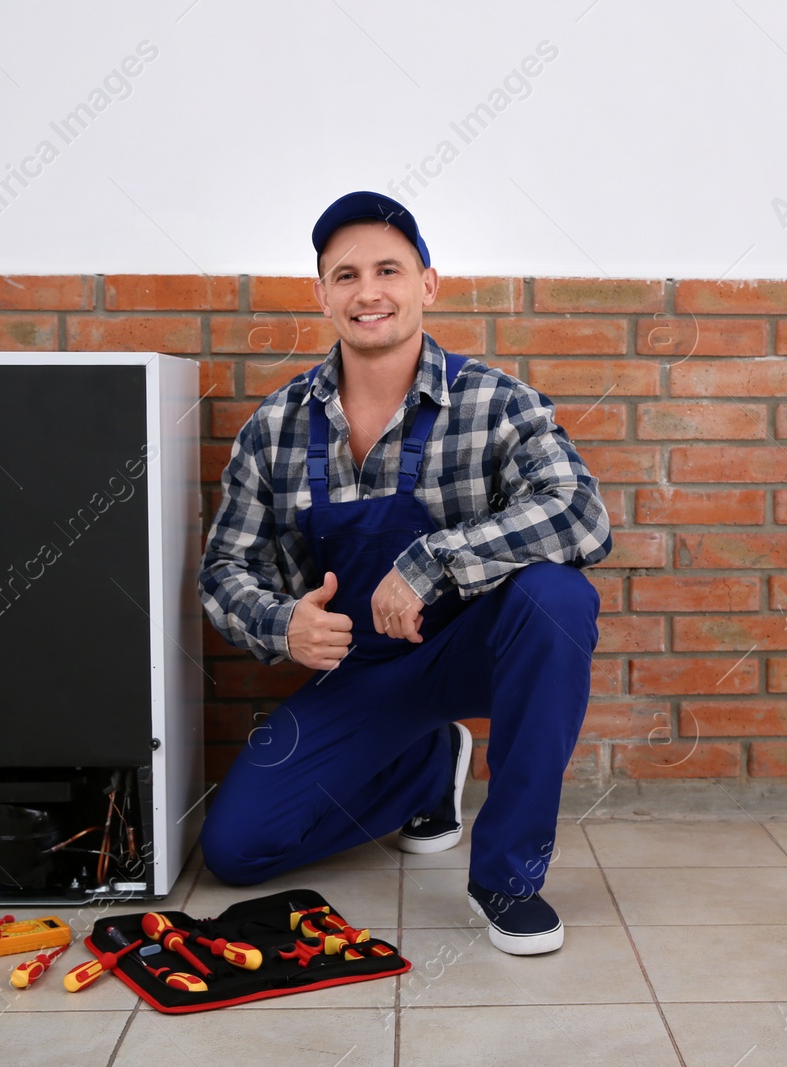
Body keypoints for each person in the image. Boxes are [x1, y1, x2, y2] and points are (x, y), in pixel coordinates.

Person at [196, 190, 611, 955]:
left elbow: (581, 514)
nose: (368, 291)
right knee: (236, 850)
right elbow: (224, 569)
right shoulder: (276, 428)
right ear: (322, 294)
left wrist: (432, 559)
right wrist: (281, 621)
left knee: (557, 597)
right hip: (363, 673)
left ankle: (509, 877)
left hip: (477, 651)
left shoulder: (493, 402)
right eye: (346, 274)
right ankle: (425, 763)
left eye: (389, 268)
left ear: (428, 284)